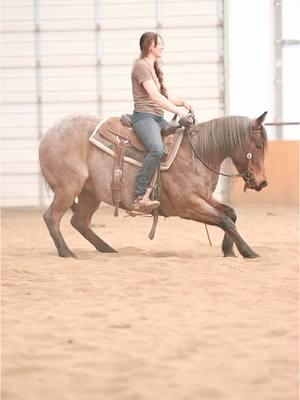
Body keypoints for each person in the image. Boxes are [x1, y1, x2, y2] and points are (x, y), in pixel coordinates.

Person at [131, 31, 193, 213]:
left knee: (184, 138)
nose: (163, 47)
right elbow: (155, 97)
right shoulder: (141, 66)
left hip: (157, 118)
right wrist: (177, 111)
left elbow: (165, 98)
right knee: (157, 149)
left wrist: (183, 103)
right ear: (150, 45)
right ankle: (139, 196)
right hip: (144, 117)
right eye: (160, 43)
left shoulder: (154, 67)